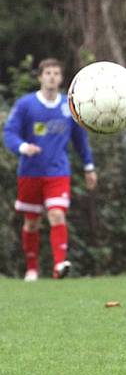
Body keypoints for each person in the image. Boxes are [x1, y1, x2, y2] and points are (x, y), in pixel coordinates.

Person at [3, 58, 97, 281]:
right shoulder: (26, 105)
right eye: (48, 73)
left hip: (58, 171)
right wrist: (23, 147)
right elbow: (9, 133)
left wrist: (89, 166)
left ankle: (59, 266)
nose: (52, 77)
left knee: (56, 214)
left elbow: (80, 140)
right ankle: (32, 268)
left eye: (56, 73)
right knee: (32, 222)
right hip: (30, 172)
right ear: (40, 77)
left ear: (61, 78)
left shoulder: (69, 106)